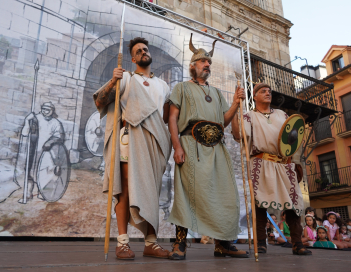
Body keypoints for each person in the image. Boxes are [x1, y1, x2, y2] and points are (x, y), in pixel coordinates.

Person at [167, 34, 248, 260]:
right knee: (186, 194)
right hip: (190, 145)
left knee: (224, 195)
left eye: (209, 62)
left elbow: (223, 121)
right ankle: (180, 244)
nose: (207, 64)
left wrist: (235, 103)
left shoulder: (216, 92)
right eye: (203, 61)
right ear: (193, 66)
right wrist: (177, 147)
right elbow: (172, 119)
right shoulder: (181, 88)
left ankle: (223, 244)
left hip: (216, 149)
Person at [93, 37, 172, 260]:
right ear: (133, 58)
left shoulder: (164, 86)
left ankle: (151, 243)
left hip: (155, 143)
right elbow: (100, 102)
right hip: (132, 137)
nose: (144, 52)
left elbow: (166, 119)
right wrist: (112, 82)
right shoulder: (126, 78)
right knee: (126, 189)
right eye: (139, 51)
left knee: (152, 191)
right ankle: (123, 243)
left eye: (145, 49)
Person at [232, 83, 311, 255]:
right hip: (261, 162)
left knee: (293, 205)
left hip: (284, 164)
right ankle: (261, 243)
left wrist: (293, 161)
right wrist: (234, 113)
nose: (268, 93)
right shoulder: (249, 116)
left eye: (269, 91)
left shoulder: (282, 115)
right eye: (263, 91)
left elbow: (291, 139)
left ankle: (297, 243)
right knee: (260, 204)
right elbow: (238, 136)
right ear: (255, 96)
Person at [18, 101, 65, 203]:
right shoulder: (35, 118)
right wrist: (27, 120)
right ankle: (28, 194)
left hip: (47, 153)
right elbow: (25, 133)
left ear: (52, 111)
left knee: (44, 173)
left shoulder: (56, 123)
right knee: (29, 172)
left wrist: (50, 142)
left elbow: (60, 137)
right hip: (33, 151)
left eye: (48, 110)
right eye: (44, 109)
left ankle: (42, 192)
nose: (45, 111)